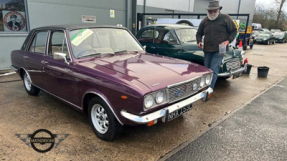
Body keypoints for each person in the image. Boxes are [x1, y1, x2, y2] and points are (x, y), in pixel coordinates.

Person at [196, 0, 237, 89]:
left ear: (218, 10)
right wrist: (199, 41)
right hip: (207, 49)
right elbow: (199, 33)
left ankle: (209, 90)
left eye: (214, 11)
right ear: (208, 11)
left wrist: (228, 41)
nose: (212, 13)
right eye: (210, 11)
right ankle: (204, 88)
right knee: (206, 70)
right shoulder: (205, 21)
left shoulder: (226, 18)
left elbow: (234, 31)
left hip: (220, 49)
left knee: (213, 70)